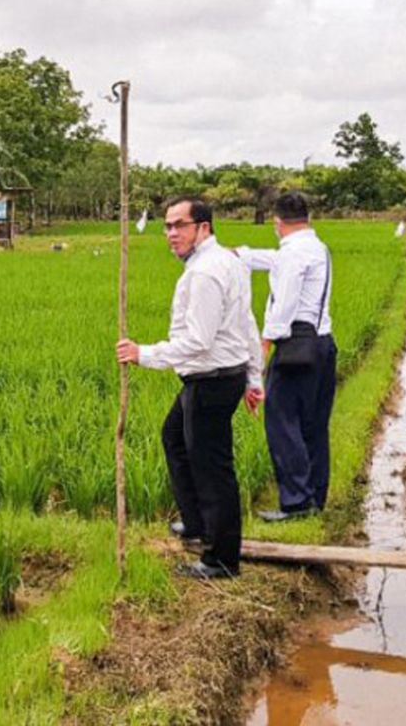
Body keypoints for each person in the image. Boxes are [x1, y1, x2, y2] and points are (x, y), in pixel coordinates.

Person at [116, 196, 264, 579]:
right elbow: (246, 323)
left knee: (213, 467)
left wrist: (141, 353)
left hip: (210, 380)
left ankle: (221, 559)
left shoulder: (205, 273)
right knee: (175, 438)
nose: (170, 234)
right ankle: (197, 522)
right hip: (219, 376)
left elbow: (198, 341)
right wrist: (253, 377)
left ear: (203, 227)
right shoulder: (226, 262)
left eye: (179, 225)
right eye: (167, 226)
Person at [235, 191, 337, 522]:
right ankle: (314, 498)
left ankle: (295, 503)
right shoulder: (317, 247)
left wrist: (266, 340)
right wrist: (240, 255)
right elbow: (272, 260)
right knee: (314, 426)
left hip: (296, 347)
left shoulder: (293, 254)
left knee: (282, 421)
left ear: (278, 223)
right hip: (322, 345)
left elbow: (287, 300)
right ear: (307, 218)